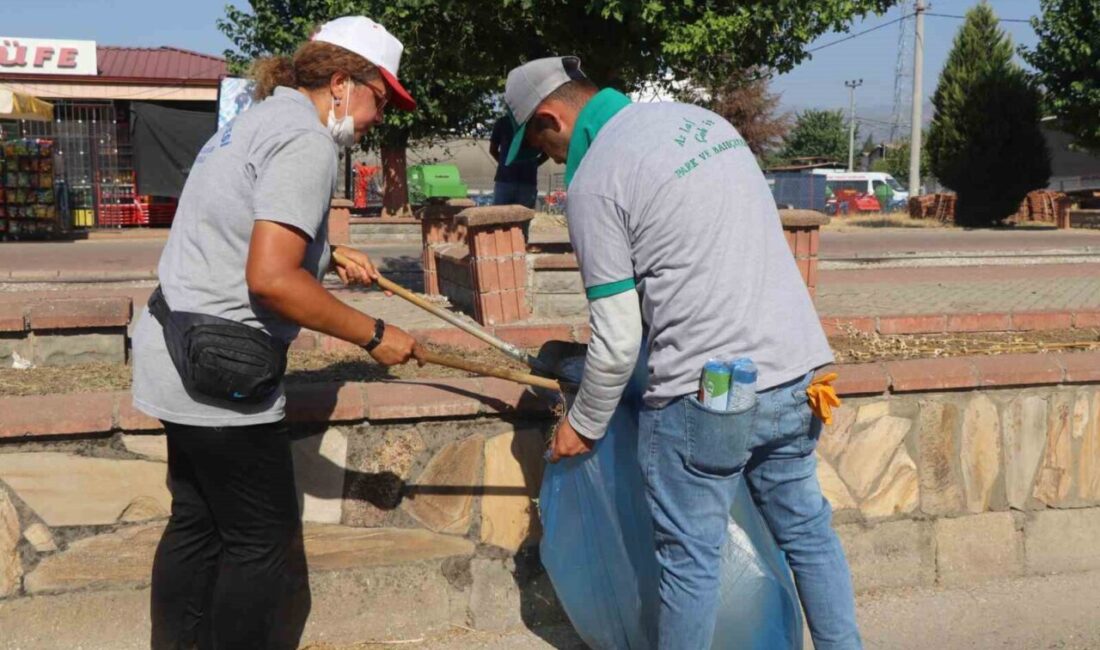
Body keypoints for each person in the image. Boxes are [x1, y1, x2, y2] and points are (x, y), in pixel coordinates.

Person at [502, 57, 862, 650]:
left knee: (691, 564)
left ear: (551, 118)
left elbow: (617, 339)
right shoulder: (704, 125)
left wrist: (583, 426)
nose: (552, 161)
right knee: (810, 534)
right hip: (798, 374)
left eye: (542, 147)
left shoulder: (595, 181)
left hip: (709, 395)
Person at [131, 16, 421, 649]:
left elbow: (241, 221)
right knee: (259, 543)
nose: (378, 117)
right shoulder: (307, 142)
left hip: (172, 345)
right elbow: (271, 279)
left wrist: (327, 252)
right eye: (379, 99)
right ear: (343, 84)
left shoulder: (258, 117)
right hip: (220, 367)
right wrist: (375, 335)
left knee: (197, 524)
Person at [489, 114, 545, 208]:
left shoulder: (503, 122)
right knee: (521, 219)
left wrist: (505, 164)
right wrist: (535, 164)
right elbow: (547, 152)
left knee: (499, 218)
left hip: (508, 181)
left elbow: (493, 150)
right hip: (524, 182)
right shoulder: (536, 123)